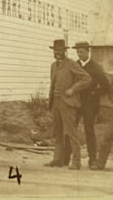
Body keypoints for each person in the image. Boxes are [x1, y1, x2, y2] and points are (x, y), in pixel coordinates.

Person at [62, 41, 110, 169]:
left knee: (89, 130)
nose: (79, 54)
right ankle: (65, 158)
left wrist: (94, 94)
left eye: (81, 51)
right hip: (75, 103)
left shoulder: (96, 67)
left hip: (90, 104)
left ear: (88, 52)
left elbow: (105, 86)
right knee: (71, 129)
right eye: (77, 52)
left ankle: (92, 160)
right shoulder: (75, 65)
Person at [45, 39, 91, 170]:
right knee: (57, 132)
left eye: (60, 50)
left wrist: (73, 89)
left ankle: (76, 162)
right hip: (55, 103)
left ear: (64, 51)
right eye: (55, 51)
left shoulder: (71, 64)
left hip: (68, 104)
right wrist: (51, 100)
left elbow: (87, 79)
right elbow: (53, 84)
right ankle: (57, 159)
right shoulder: (53, 66)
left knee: (71, 133)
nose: (57, 53)